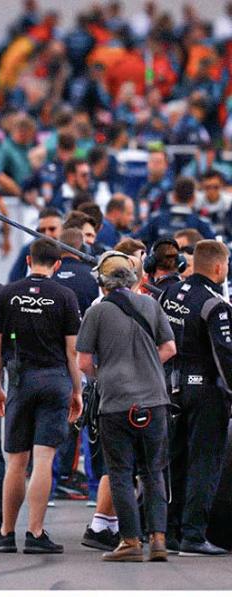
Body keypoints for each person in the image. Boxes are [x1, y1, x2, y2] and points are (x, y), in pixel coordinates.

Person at [76, 251, 176, 562]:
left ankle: (130, 540)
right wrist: (147, 366)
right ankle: (158, 540)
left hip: (116, 403)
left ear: (102, 282)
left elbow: (83, 362)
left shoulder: (97, 312)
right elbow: (169, 348)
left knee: (120, 472)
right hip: (154, 400)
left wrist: (103, 376)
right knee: (153, 472)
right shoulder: (151, 305)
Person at [0, 238, 83, 555]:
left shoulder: (8, 294)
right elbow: (72, 351)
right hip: (54, 380)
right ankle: (35, 532)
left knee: (16, 461)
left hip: (20, 380)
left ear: (28, 260)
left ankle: (5, 532)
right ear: (58, 264)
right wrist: (77, 390)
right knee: (43, 459)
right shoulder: (65, 296)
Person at [159, 240, 232, 556]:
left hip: (171, 388)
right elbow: (224, 355)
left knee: (174, 460)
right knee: (204, 462)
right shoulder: (215, 305)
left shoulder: (169, 294)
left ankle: (169, 531)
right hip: (205, 393)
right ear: (218, 267)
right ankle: (194, 535)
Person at [136, 176, 215, 246]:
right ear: (194, 198)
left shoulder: (156, 219)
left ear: (173, 196)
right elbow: (215, 248)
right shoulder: (201, 223)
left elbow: (136, 240)